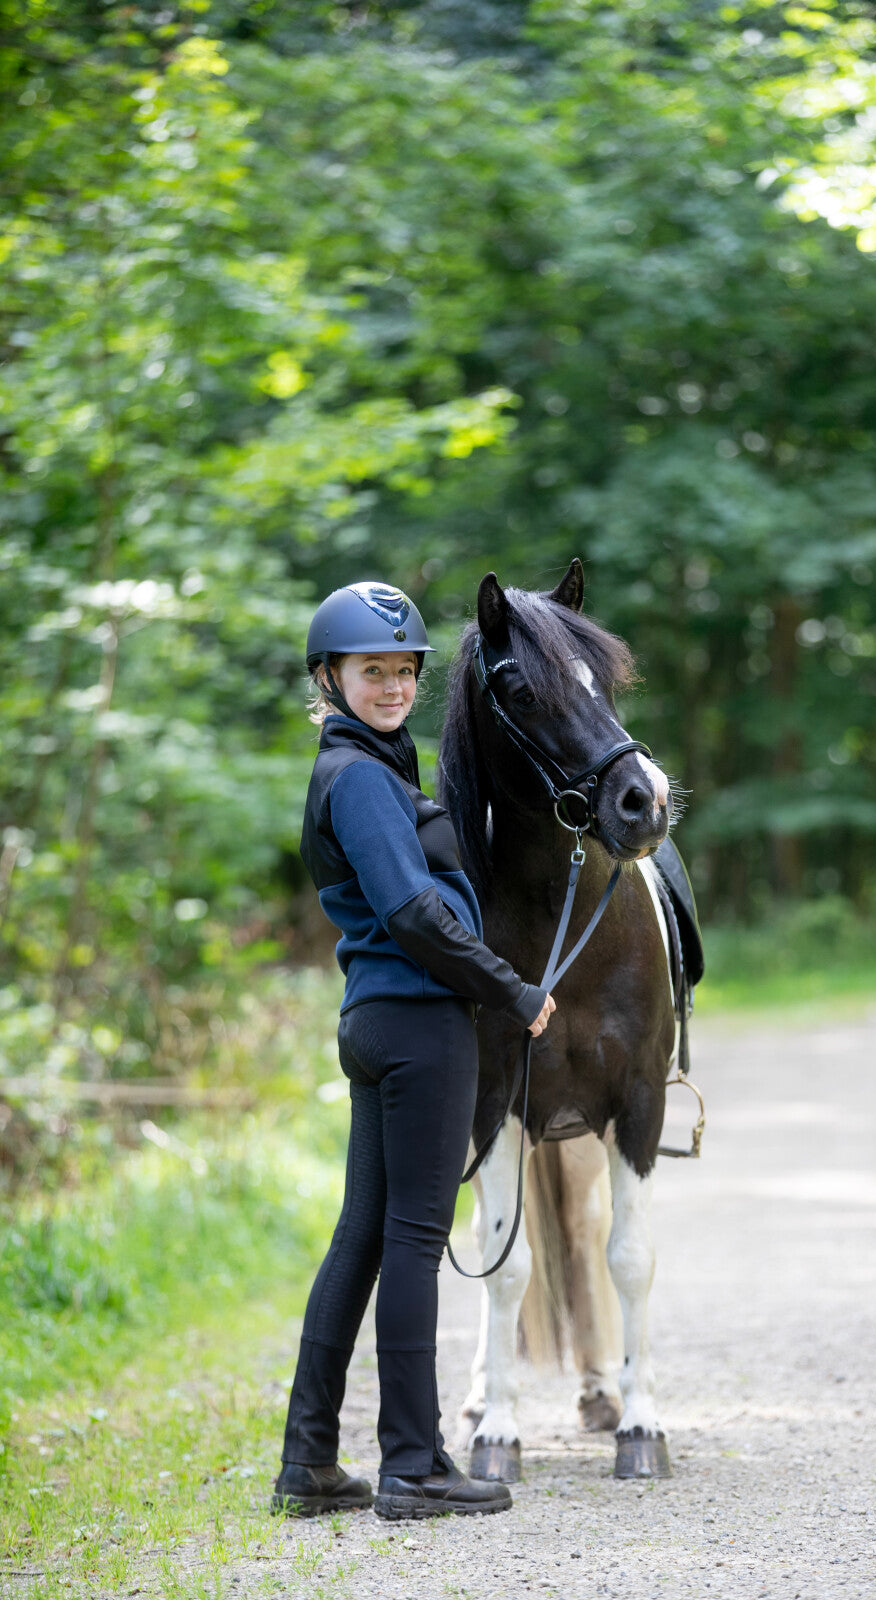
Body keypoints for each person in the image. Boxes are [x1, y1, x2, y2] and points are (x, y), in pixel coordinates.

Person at [271, 580, 555, 1523]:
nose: (391, 686)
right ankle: (414, 1465)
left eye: (402, 671)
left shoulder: (374, 768)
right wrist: (510, 991)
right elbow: (410, 912)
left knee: (364, 1236)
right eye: (371, 671)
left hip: (381, 1020)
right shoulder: (358, 778)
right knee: (410, 1244)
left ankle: (309, 1463)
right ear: (331, 676)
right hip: (419, 1023)